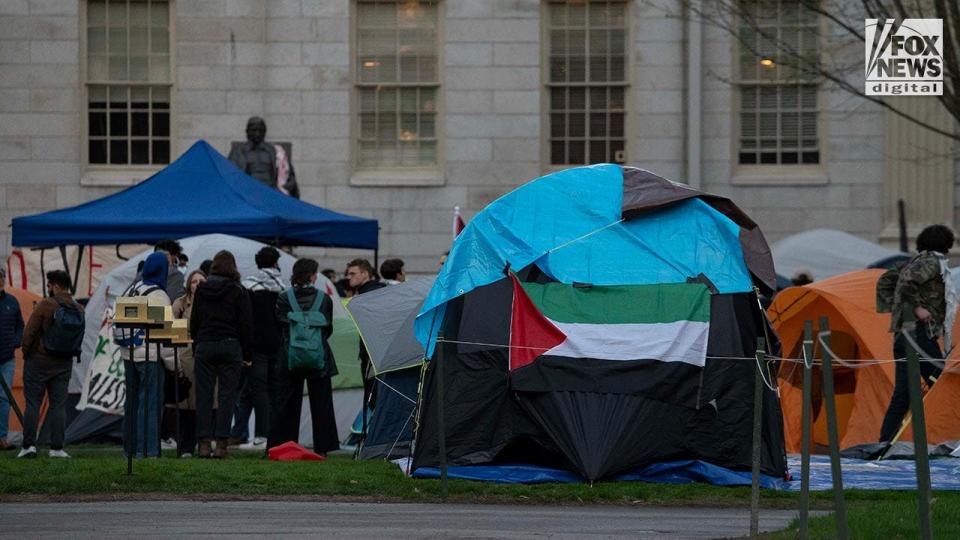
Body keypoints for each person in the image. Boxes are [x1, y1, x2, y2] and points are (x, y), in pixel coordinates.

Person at [879, 225, 954, 443]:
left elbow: (886, 281)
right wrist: (916, 308)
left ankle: (885, 442)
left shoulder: (914, 260)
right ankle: (947, 434)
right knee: (941, 381)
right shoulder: (932, 262)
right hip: (918, 334)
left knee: (904, 394)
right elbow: (906, 282)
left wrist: (897, 309)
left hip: (904, 334)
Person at [269, 258, 339, 455]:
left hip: (290, 356)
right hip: (319, 357)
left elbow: (279, 326)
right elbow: (328, 329)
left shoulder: (284, 298)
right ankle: (323, 447)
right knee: (321, 403)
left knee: (287, 404)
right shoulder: (324, 299)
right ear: (312, 275)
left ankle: (283, 445)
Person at [190, 250, 254, 459]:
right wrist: (247, 353)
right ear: (233, 267)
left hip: (205, 345)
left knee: (204, 396)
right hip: (230, 346)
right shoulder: (239, 291)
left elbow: (195, 321)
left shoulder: (201, 290)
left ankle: (203, 444)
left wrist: (196, 346)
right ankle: (221, 446)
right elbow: (246, 325)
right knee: (227, 397)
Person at [18, 270, 84, 459]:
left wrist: (26, 352)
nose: (48, 289)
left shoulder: (46, 305)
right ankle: (57, 448)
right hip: (64, 364)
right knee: (58, 406)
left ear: (54, 285)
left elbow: (29, 332)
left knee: (33, 403)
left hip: (39, 362)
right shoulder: (79, 308)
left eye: (48, 285)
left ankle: (29, 446)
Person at [117, 252, 173, 459]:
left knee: (131, 403)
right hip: (149, 356)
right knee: (149, 404)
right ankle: (147, 450)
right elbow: (164, 335)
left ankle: (130, 449)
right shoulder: (157, 295)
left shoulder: (133, 289)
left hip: (128, 353)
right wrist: (172, 364)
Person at [231, 247, 286, 449]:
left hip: (256, 346)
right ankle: (270, 433)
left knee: (258, 390)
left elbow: (244, 318)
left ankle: (260, 435)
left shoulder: (248, 285)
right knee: (273, 389)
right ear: (275, 263)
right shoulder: (283, 286)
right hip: (278, 344)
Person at [169, 269, 207, 457]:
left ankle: (205, 444)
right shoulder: (180, 304)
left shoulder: (212, 302)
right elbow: (172, 330)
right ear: (188, 284)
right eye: (194, 281)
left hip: (206, 356)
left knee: (206, 403)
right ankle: (186, 446)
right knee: (187, 405)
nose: (198, 284)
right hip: (186, 355)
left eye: (201, 280)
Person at [346, 259, 386, 411]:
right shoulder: (378, 290)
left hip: (371, 355)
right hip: (376, 353)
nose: (349, 277)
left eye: (353, 273)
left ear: (365, 274)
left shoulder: (368, 294)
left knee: (373, 396)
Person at [228, 116, 300, 198]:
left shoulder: (276, 152)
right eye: (254, 130)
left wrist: (285, 187)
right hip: (248, 194)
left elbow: (289, 176)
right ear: (247, 132)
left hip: (271, 193)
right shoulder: (238, 152)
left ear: (265, 132)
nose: (257, 134)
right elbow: (230, 176)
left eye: (260, 130)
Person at [0, 267, 24, 451]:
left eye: (1, 278)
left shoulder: (12, 302)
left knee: (4, 397)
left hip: (7, 358)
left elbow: (20, 326)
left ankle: (2, 437)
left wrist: (16, 341)